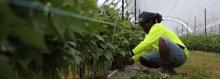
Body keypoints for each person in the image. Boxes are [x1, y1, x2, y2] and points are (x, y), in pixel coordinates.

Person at [122, 11, 189, 74]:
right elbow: (146, 49)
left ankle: (165, 69)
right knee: (143, 58)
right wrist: (132, 60)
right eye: (141, 26)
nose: (142, 28)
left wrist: (131, 53)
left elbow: (146, 43)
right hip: (170, 57)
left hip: (180, 54)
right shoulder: (148, 34)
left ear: (150, 22)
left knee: (162, 40)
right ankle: (168, 69)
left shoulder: (157, 27)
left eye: (143, 25)